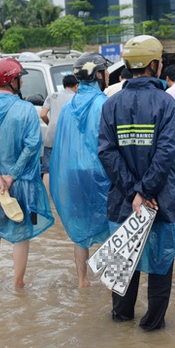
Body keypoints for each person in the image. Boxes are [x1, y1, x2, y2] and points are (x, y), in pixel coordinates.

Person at [99, 35, 175, 331]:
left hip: (124, 200)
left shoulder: (111, 104)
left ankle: (121, 321)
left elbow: (107, 152)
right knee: (160, 267)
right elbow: (165, 152)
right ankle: (152, 326)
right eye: (160, 61)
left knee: (123, 264)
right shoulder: (165, 102)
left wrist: (132, 192)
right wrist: (144, 191)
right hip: (159, 199)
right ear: (153, 65)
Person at [0, 57, 54, 288]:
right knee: (22, 233)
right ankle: (18, 284)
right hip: (22, 183)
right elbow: (33, 145)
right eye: (19, 78)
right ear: (12, 81)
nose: (21, 83)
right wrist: (11, 175)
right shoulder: (26, 109)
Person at [49, 53, 112, 288]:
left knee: (79, 228)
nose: (107, 76)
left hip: (73, 175)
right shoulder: (105, 103)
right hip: (99, 175)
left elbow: (61, 146)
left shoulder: (68, 106)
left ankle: (82, 280)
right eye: (104, 72)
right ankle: (109, 281)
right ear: (97, 75)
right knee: (109, 226)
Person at [39, 74, 79, 190]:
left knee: (47, 169)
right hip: (68, 138)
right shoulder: (76, 99)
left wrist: (50, 124)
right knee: (67, 168)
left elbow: (42, 114)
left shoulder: (53, 96)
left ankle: (46, 200)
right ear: (76, 86)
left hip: (51, 136)